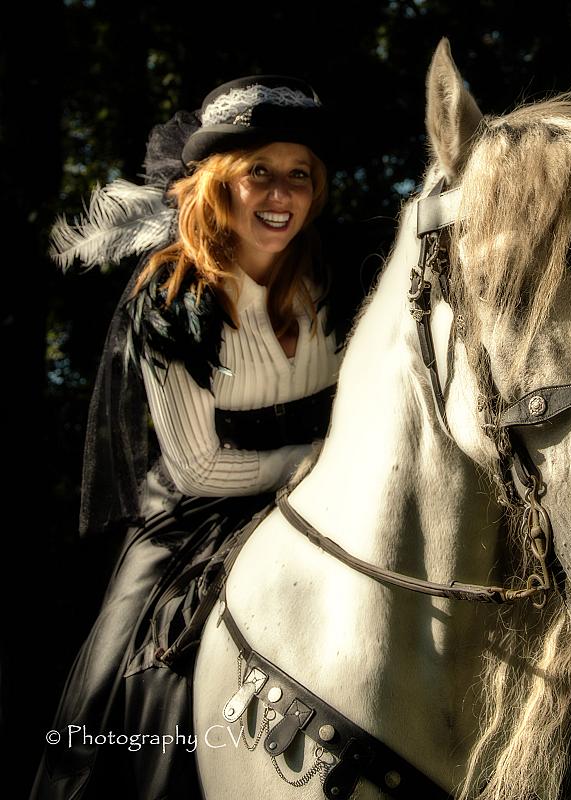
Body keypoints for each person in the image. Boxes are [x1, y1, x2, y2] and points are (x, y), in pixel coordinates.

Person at [31, 74, 348, 800]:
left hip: (331, 488)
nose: (281, 193)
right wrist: (315, 462)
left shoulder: (338, 277)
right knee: (113, 681)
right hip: (196, 512)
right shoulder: (171, 298)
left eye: (299, 174)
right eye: (258, 172)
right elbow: (200, 465)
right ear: (217, 182)